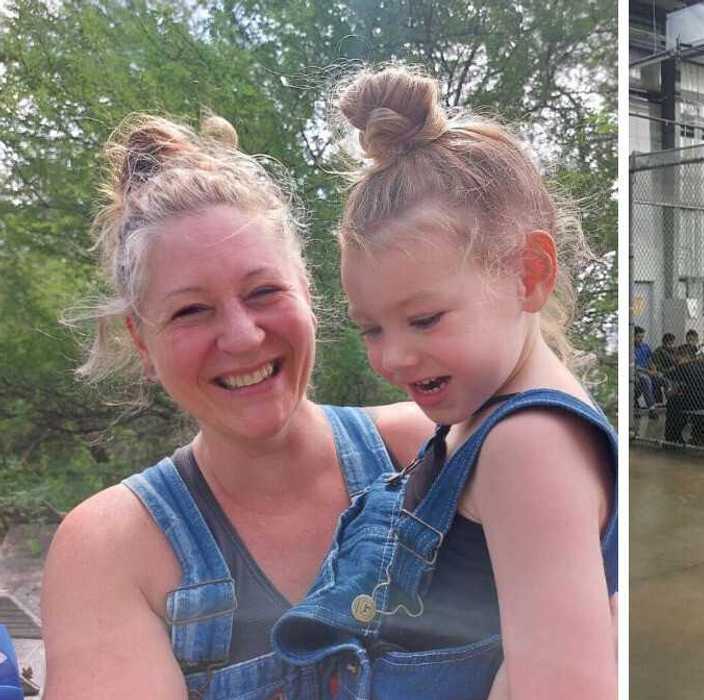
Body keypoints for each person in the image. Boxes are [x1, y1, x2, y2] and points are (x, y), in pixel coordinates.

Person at [40, 114, 439, 698]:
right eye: (190, 311)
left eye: (263, 292)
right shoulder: (110, 550)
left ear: (307, 290)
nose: (243, 337)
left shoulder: (428, 449)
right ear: (140, 340)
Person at [268, 66, 617, 697]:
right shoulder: (480, 419)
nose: (395, 358)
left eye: (424, 319)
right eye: (371, 329)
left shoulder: (529, 445)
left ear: (527, 276)